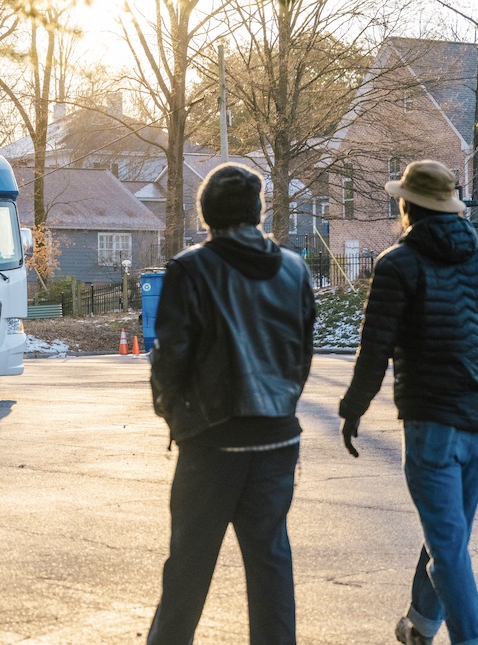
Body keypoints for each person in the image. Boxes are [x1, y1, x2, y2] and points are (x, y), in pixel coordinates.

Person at [148, 162, 315, 645]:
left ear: (206, 214)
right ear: (258, 211)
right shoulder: (294, 268)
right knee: (271, 565)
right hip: (277, 435)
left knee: (188, 568)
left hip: (211, 438)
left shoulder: (190, 269)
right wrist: (280, 405)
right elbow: (301, 353)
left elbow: (171, 357)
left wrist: (174, 416)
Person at [339, 159, 478, 645]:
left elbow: (375, 348)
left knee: (447, 546)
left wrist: (353, 408)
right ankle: (421, 623)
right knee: (450, 537)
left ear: (407, 207)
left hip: (431, 421)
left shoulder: (397, 263)